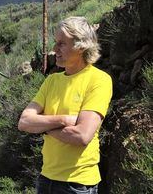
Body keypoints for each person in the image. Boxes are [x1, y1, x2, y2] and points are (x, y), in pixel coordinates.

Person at [18, 16, 113, 194]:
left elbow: (82, 135)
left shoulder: (99, 80)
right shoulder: (52, 80)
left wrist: (43, 127)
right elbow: (24, 121)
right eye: (56, 42)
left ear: (81, 46)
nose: (54, 50)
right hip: (46, 179)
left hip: (78, 184)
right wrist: (64, 119)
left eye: (61, 44)